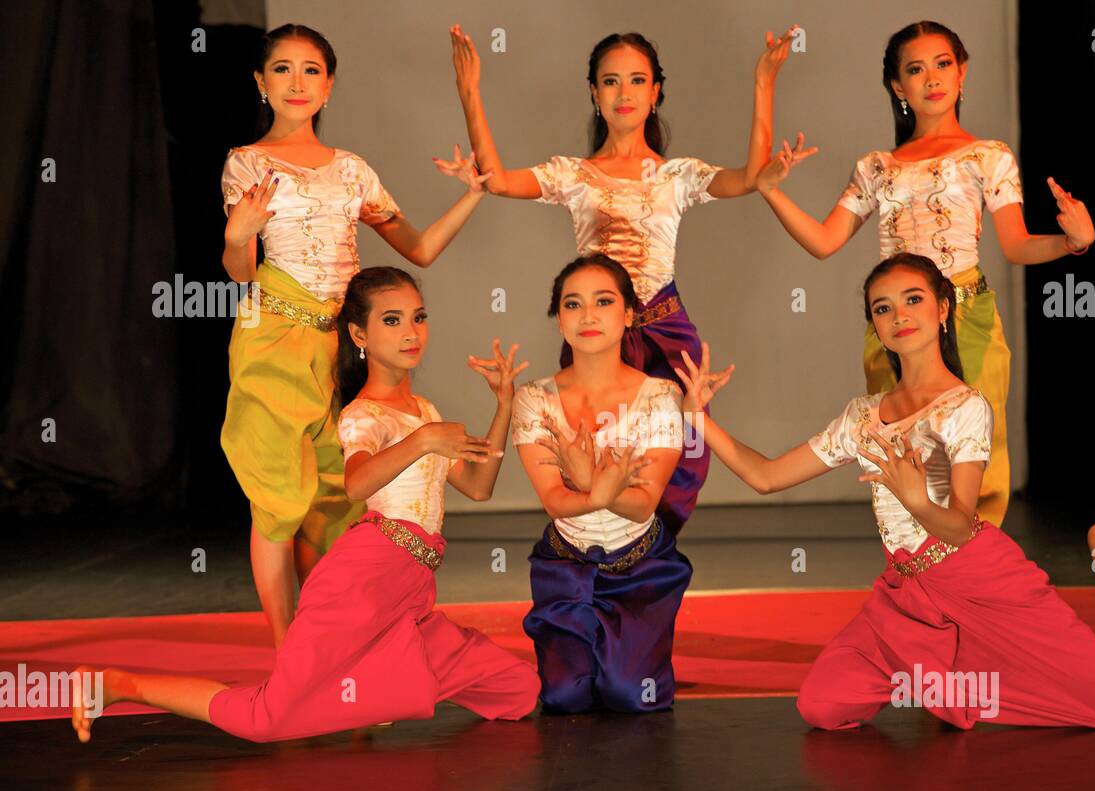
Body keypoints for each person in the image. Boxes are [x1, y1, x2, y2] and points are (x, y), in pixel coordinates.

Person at [673, 253, 1095, 731]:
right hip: (904, 592)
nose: (898, 314)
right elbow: (765, 477)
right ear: (875, 327)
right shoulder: (861, 416)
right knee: (824, 706)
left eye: (913, 299)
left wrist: (919, 500)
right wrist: (699, 419)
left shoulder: (965, 407)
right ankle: (949, 674)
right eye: (883, 308)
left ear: (943, 308)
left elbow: (963, 522)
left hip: (980, 578)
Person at [71, 267, 539, 743]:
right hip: (360, 583)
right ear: (359, 334)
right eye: (392, 320)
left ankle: (381, 688)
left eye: (418, 318)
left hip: (410, 590)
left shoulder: (426, 413)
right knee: (265, 720)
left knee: (517, 689)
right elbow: (356, 485)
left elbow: (479, 487)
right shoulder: (363, 415)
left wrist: (504, 405)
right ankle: (117, 684)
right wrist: (422, 442)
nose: (412, 332)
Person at [450, 24, 797, 534]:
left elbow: (747, 177)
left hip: (666, 332)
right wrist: (470, 91)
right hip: (599, 336)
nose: (624, 92)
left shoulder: (678, 175)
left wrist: (764, 83)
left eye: (637, 80)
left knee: (679, 456)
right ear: (594, 93)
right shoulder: (573, 174)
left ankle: (649, 562)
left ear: (656, 92)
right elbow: (497, 180)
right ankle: (595, 561)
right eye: (611, 81)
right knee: (592, 449)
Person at [754, 20, 1095, 527]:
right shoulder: (877, 166)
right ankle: (914, 571)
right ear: (898, 86)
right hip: (895, 324)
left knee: (976, 451)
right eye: (916, 69)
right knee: (897, 448)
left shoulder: (989, 156)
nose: (932, 78)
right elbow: (825, 242)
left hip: (967, 315)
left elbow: (1017, 245)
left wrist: (1074, 242)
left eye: (942, 65)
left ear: (961, 73)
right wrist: (771, 190)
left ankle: (976, 578)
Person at [221, 23, 491, 646]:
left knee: (338, 498)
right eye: (282, 69)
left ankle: (336, 640)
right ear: (261, 83)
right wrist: (239, 235)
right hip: (275, 341)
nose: (297, 82)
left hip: (345, 347)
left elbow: (418, 248)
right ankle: (292, 653)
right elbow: (241, 272)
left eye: (311, 69)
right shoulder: (247, 163)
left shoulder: (353, 171)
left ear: (330, 84)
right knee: (278, 496)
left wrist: (473, 195)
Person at [511, 255, 690, 714]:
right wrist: (605, 488)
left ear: (628, 314)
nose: (588, 315)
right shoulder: (534, 398)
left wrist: (588, 482)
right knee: (563, 698)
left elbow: (643, 504)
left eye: (603, 301)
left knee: (631, 697)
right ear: (559, 318)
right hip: (566, 568)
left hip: (641, 568)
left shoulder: (661, 396)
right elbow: (555, 501)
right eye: (573, 304)